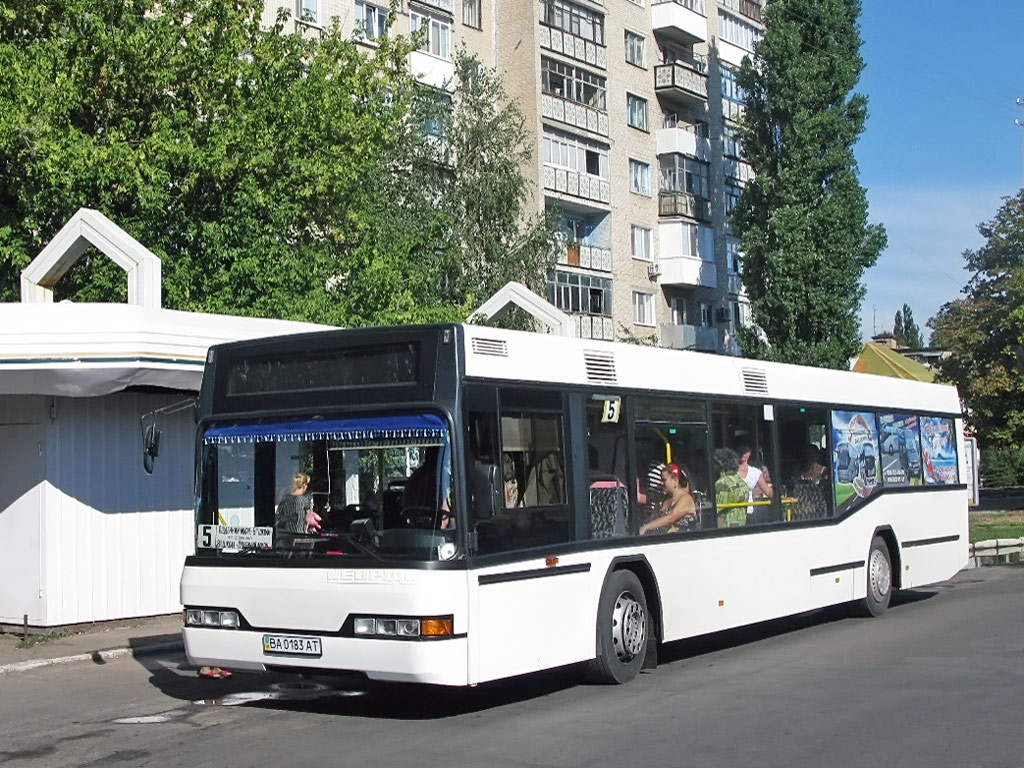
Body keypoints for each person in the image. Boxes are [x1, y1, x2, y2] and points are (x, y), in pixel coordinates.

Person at [640, 463, 696, 534]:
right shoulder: (663, 499)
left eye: (664, 480)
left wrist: (647, 527)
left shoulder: (686, 499)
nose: (661, 483)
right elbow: (654, 518)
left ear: (675, 480)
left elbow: (671, 518)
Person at [275, 472, 320, 537]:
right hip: (299, 535)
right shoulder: (304, 500)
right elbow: (309, 517)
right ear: (304, 486)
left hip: (285, 535)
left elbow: (278, 514)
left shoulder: (285, 498)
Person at [714, 448, 749, 527]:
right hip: (742, 526)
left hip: (727, 529)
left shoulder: (722, 483)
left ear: (720, 465)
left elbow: (720, 512)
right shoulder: (741, 482)